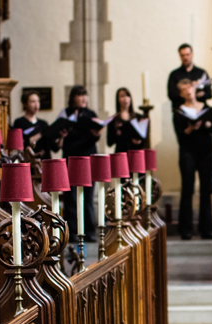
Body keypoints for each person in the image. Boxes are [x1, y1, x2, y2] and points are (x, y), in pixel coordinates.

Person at [173, 79, 212, 240]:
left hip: (206, 152)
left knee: (205, 190)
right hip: (188, 153)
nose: (188, 91)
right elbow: (180, 136)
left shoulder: (206, 108)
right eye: (184, 89)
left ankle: (206, 228)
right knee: (187, 190)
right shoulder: (179, 111)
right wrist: (191, 128)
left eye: (190, 87)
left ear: (195, 89)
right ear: (181, 94)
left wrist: (206, 125)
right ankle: (185, 229)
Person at [62, 85, 101, 242]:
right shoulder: (65, 114)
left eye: (85, 95)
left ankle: (89, 232)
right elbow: (63, 137)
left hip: (88, 158)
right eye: (80, 95)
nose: (84, 98)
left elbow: (95, 136)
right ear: (73, 98)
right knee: (71, 197)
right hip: (71, 158)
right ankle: (72, 232)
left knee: (87, 197)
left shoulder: (91, 114)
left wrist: (96, 134)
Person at [12, 91, 65, 159]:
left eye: (38, 101)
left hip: (45, 161)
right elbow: (22, 144)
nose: (36, 104)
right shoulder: (19, 122)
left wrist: (61, 137)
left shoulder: (43, 123)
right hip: (30, 161)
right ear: (25, 104)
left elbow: (55, 148)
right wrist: (41, 133)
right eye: (33, 101)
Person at [167, 44, 212, 110]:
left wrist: (199, 94)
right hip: (181, 111)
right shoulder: (174, 74)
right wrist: (185, 92)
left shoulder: (201, 73)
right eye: (183, 55)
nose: (185, 57)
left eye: (187, 55)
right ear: (179, 56)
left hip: (199, 110)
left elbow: (209, 93)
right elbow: (171, 95)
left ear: (192, 54)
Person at [107, 88, 145, 153]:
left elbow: (144, 140)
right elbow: (109, 142)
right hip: (120, 154)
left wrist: (138, 141)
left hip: (135, 154)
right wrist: (118, 133)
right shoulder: (114, 119)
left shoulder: (138, 117)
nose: (125, 99)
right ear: (118, 99)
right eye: (122, 96)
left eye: (127, 95)